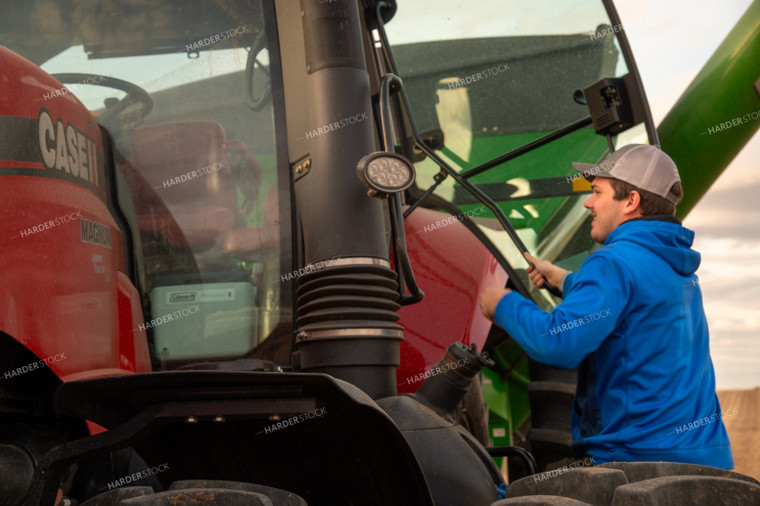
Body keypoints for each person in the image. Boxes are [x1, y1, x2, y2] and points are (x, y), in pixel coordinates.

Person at [479, 144, 734, 469]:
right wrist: (566, 281)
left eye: (597, 192)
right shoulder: (674, 265)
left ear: (630, 201)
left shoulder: (611, 262)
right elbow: (635, 304)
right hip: (707, 460)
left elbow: (557, 343)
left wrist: (501, 303)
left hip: (636, 463)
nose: (588, 202)